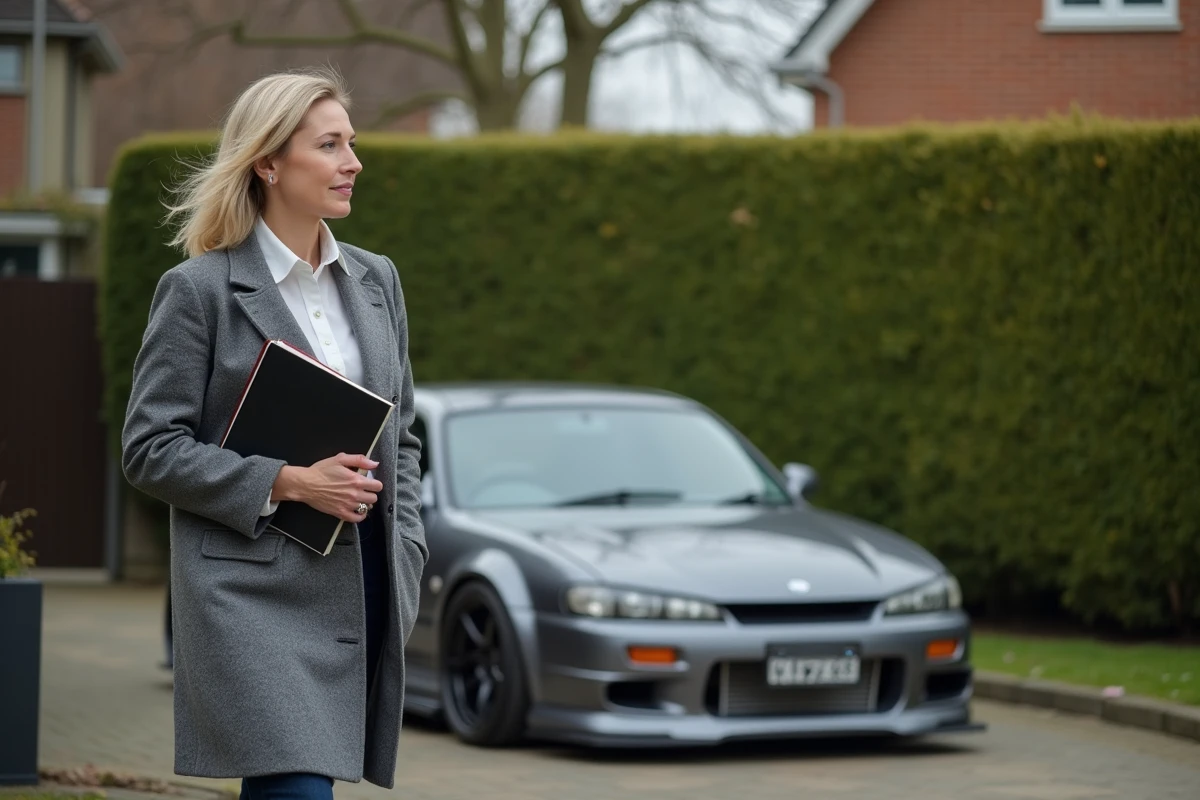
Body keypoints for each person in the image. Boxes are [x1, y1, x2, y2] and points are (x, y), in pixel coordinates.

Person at [121, 67, 427, 799]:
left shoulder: (378, 280)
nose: (354, 162)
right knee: (297, 788)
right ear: (267, 162)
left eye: (351, 142)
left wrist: (409, 549)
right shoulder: (198, 291)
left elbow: (404, 436)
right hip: (250, 598)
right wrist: (287, 482)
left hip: (363, 581)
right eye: (329, 145)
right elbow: (149, 448)